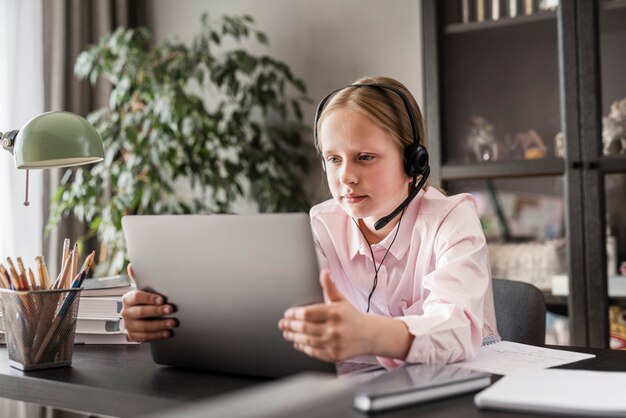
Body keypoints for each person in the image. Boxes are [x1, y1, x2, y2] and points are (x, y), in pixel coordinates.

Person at [122, 76, 498, 367]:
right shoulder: (323, 223)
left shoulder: (452, 218)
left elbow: (458, 328)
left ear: (412, 160)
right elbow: (274, 310)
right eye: (333, 159)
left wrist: (371, 335)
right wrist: (170, 317)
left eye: (365, 157)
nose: (346, 176)